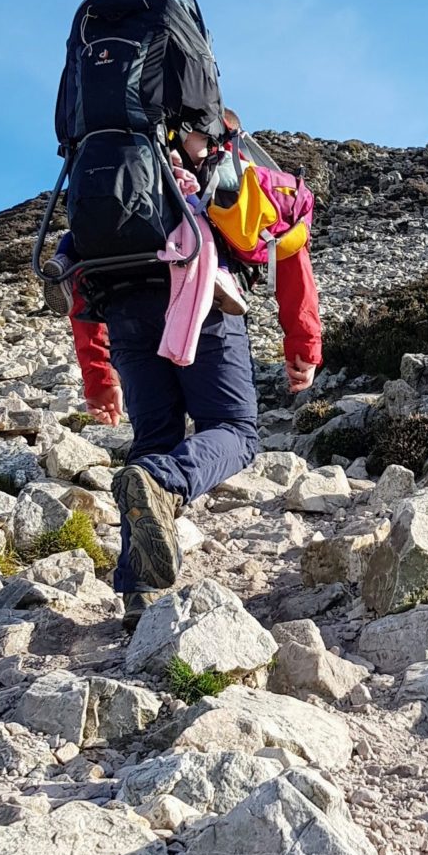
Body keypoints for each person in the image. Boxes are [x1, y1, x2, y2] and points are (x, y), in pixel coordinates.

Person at [59, 56, 322, 628]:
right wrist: (303, 343)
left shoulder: (105, 164)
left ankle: (140, 592)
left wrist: (98, 378)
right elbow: (290, 244)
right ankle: (162, 483)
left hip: (123, 306)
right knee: (235, 432)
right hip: (202, 304)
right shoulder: (225, 160)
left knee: (153, 436)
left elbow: (79, 271)